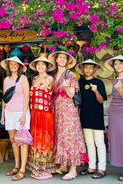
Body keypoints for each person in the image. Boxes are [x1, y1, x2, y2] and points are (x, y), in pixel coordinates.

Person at [48, 51, 88, 181]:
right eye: (60, 57)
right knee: (61, 137)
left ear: (67, 61)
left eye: (64, 58)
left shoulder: (70, 74)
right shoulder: (54, 76)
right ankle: (64, 165)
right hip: (58, 111)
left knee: (71, 137)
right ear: (56, 60)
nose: (62, 60)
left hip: (69, 111)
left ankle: (73, 169)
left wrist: (66, 87)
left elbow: (72, 94)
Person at [76, 59, 107, 179]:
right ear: (83, 69)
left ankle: (102, 168)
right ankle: (91, 166)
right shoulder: (79, 82)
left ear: (94, 69)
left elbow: (101, 100)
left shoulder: (99, 83)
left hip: (96, 116)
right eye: (86, 67)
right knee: (89, 143)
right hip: (84, 116)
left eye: (91, 67)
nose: (88, 69)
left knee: (99, 143)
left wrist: (96, 91)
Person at [0, 56, 30, 181]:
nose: (13, 66)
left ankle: (22, 169)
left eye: (15, 64)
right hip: (9, 112)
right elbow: (4, 97)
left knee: (22, 141)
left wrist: (24, 114)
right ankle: (16, 165)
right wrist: (3, 113)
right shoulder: (6, 79)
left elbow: (27, 97)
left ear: (19, 66)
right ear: (8, 66)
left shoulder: (23, 79)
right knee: (13, 139)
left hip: (20, 113)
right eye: (11, 64)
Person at [26, 56, 56, 180]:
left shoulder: (48, 78)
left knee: (44, 140)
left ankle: (45, 170)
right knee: (35, 139)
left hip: (44, 114)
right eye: (38, 64)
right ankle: (36, 168)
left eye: (43, 65)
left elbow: (47, 85)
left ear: (47, 66)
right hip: (35, 113)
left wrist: (44, 86)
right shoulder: (34, 79)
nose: (40, 67)